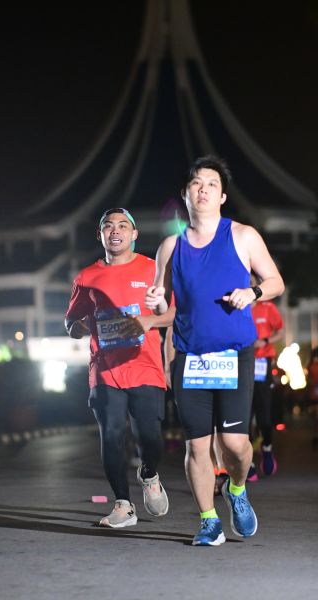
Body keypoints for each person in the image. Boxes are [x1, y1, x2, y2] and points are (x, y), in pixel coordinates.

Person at [145, 155, 285, 546]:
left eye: (211, 184)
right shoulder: (170, 246)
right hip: (190, 358)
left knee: (235, 445)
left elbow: (275, 282)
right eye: (196, 183)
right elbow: (164, 305)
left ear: (222, 196)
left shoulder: (242, 236)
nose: (203, 190)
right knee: (197, 445)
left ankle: (236, 488)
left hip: (234, 356)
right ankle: (209, 521)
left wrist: (252, 292)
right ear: (185, 194)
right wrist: (156, 301)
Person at [65, 208, 174, 528]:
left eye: (123, 226)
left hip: (145, 366)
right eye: (108, 226)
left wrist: (148, 321)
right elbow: (71, 322)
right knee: (111, 434)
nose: (115, 231)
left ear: (134, 234)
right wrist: (84, 327)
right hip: (105, 370)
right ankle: (123, 505)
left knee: (150, 437)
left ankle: (149, 475)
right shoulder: (87, 277)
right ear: (100, 234)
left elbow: (175, 314)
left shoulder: (153, 269)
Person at [248, 273, 284, 481]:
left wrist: (265, 341)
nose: (248, 285)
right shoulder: (236, 307)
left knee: (264, 416)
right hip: (241, 365)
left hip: (262, 365)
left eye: (252, 282)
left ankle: (267, 447)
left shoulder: (268, 308)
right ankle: (248, 462)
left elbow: (281, 331)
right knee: (243, 416)